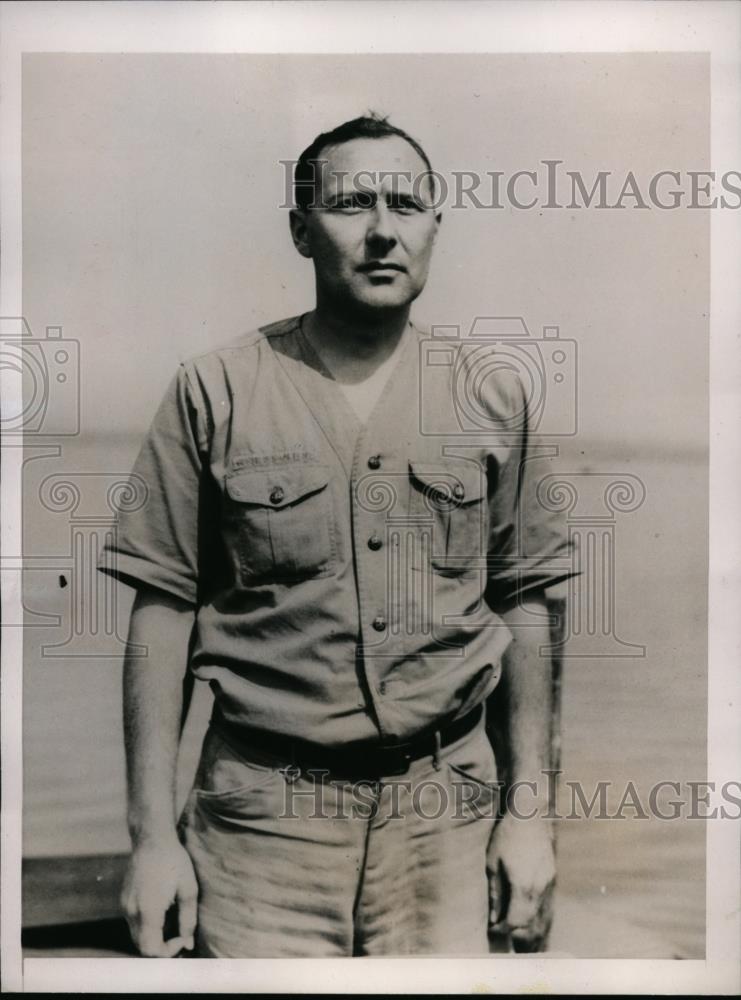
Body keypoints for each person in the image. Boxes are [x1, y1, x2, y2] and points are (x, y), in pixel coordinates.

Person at [100, 113, 577, 958]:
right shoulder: (213, 391)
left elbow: (529, 603)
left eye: (406, 202)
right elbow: (161, 612)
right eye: (352, 205)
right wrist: (150, 841)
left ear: (435, 224)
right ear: (300, 230)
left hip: (446, 826)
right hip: (260, 826)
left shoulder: (490, 396)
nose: (382, 230)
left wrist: (529, 816)